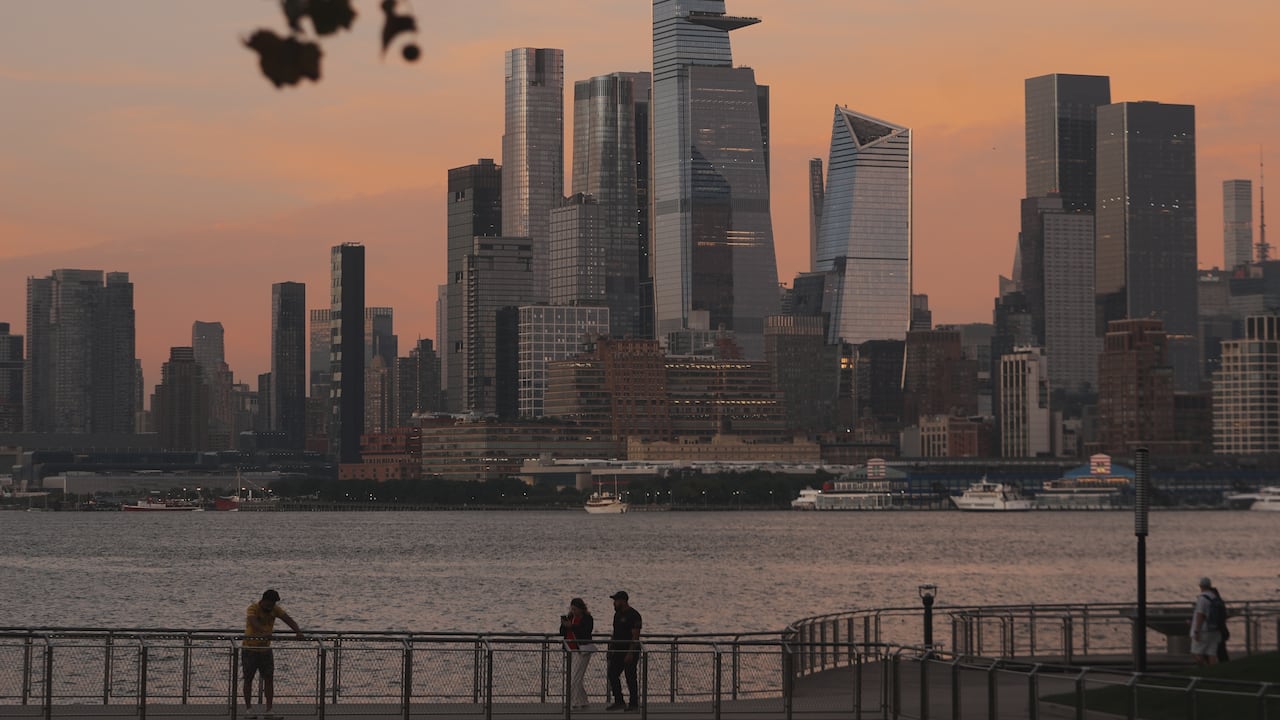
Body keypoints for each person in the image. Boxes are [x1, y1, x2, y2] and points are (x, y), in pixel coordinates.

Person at [242, 589, 303, 718]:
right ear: (263, 600)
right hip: (250, 649)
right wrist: (264, 631)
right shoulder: (253, 608)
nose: (271, 607)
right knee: (248, 678)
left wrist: (297, 630)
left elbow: (288, 619)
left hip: (265, 650)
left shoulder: (275, 609)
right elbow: (253, 621)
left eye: (273, 604)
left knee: (269, 679)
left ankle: (269, 710)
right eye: (269, 604)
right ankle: (248, 709)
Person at [606, 590, 642, 712]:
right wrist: (610, 648)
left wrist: (630, 653)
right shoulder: (617, 615)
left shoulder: (634, 615)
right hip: (618, 650)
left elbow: (635, 636)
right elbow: (615, 633)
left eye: (615, 601)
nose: (614, 603)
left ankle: (634, 704)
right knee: (612, 673)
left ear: (622, 601)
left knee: (630, 676)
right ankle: (619, 701)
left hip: (629, 650)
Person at [560, 597, 596, 710]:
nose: (573, 611)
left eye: (575, 609)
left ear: (581, 609)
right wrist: (564, 625)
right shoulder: (571, 617)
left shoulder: (587, 618)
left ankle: (574, 702)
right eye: (572, 609)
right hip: (571, 650)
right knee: (575, 677)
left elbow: (586, 631)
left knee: (575, 677)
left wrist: (572, 627)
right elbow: (562, 632)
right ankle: (583, 701)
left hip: (582, 650)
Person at [1190, 577, 1221, 667]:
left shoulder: (1202, 599)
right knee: (1211, 653)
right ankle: (1213, 671)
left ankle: (1205, 668)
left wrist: (1196, 631)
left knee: (1195, 652)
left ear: (1200, 586)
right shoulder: (1214, 597)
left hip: (1204, 630)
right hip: (1214, 629)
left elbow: (1200, 615)